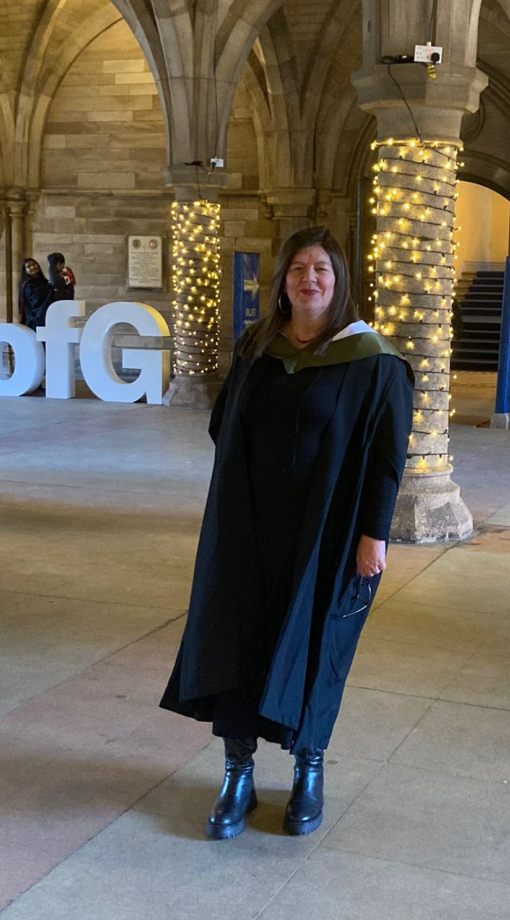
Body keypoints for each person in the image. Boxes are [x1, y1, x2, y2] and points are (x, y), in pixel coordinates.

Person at [160, 226, 414, 840]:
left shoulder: (372, 361)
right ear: (282, 282)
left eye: (322, 269)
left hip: (327, 534)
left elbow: (387, 456)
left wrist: (372, 535)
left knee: (316, 646)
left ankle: (308, 767)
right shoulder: (257, 348)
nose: (309, 279)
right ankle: (238, 773)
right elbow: (225, 426)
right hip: (250, 529)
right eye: (298, 268)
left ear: (339, 281)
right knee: (240, 638)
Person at [18, 258, 51, 330]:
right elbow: (36, 299)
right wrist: (50, 288)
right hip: (33, 319)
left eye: (33, 264)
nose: (32, 267)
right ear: (25, 271)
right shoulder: (26, 285)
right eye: (28, 267)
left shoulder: (44, 282)